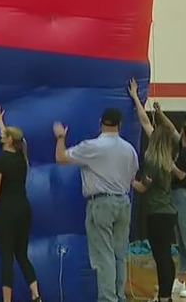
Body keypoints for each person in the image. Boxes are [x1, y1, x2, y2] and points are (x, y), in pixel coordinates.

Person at [127, 79, 186, 298]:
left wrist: (168, 165)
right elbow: (161, 126)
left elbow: (179, 175)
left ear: (185, 135)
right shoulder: (173, 147)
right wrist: (157, 111)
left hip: (185, 198)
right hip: (173, 201)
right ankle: (180, 280)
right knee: (181, 242)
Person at [53, 108, 139, 302]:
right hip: (124, 202)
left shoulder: (92, 147)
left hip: (101, 203)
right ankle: (119, 296)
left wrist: (60, 137)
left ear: (100, 122)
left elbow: (61, 158)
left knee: (104, 256)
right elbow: (132, 176)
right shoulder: (129, 150)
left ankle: (108, 298)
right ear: (120, 124)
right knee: (119, 254)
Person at [0, 106, 41, 302]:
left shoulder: (0, 160)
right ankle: (35, 294)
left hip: (6, 211)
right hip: (24, 209)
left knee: (6, 258)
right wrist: (1, 123)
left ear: (9, 140)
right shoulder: (21, 159)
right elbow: (12, 139)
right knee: (22, 255)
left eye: (4, 134)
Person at [127, 89, 180, 302]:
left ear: (153, 141)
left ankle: (165, 297)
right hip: (168, 212)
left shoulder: (153, 161)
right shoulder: (168, 155)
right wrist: (137, 100)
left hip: (157, 214)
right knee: (165, 256)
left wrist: (126, 179)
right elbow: (145, 121)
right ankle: (165, 296)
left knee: (162, 257)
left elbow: (142, 187)